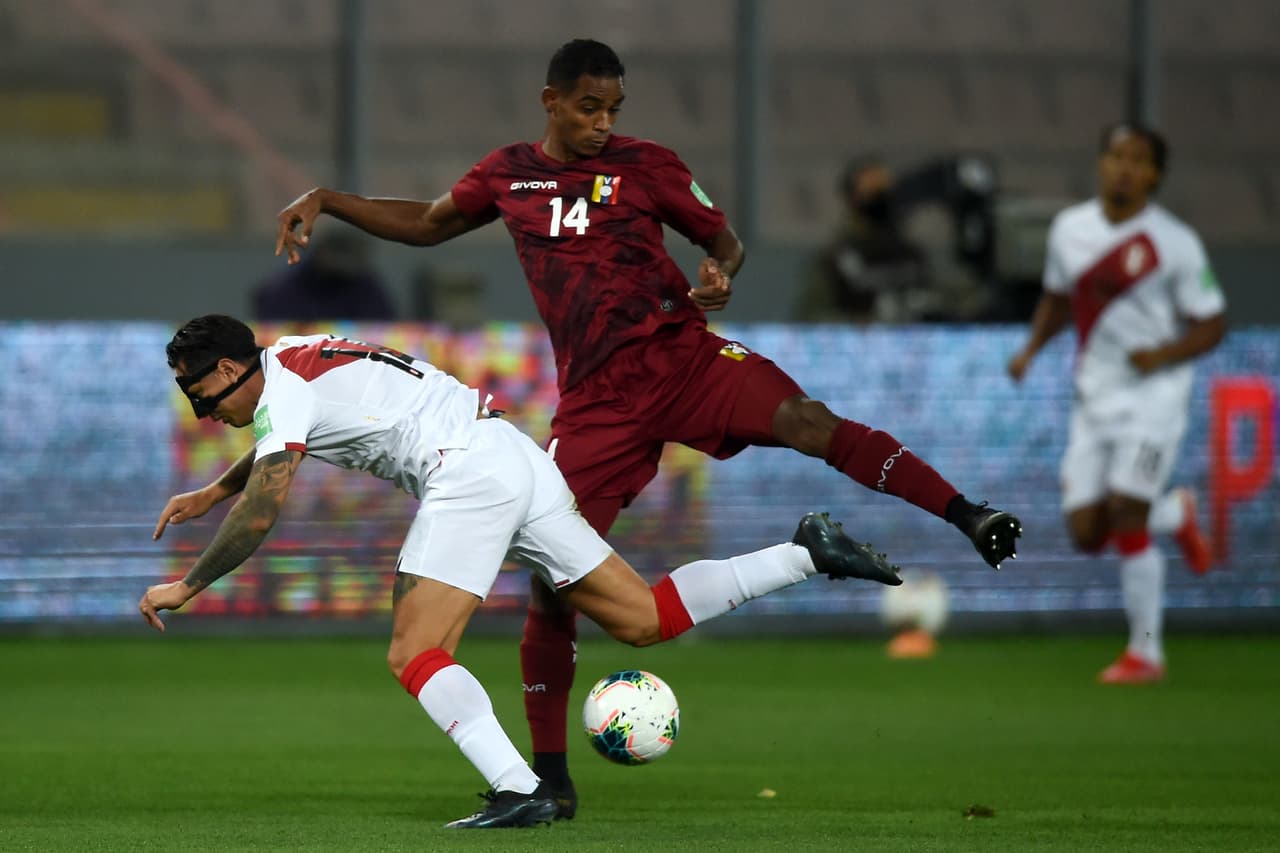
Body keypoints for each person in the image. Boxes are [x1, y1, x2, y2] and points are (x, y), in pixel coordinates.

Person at [273, 39, 1023, 819]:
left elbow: (723, 241)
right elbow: (429, 223)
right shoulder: (507, 174)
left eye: (613, 109)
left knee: (809, 420)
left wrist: (720, 273)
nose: (603, 122)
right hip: (597, 405)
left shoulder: (648, 165)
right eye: (588, 107)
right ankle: (550, 779)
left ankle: (967, 512)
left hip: (684, 359)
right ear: (551, 102)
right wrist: (327, 199)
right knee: (553, 586)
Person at [140, 315, 904, 829]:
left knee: (413, 649)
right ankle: (804, 552)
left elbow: (264, 511)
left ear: (232, 368)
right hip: (512, 455)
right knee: (642, 619)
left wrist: (186, 585)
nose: (203, 412)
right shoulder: (291, 355)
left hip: (465, 472)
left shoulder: (282, 393)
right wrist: (215, 489)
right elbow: (279, 437)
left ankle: (519, 788)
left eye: (201, 394)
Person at [1007, 122, 1226, 684]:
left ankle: (1145, 654)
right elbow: (1059, 299)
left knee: (1128, 515)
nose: (1124, 167)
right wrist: (1030, 349)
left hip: (1155, 396)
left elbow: (1212, 323)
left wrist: (1164, 354)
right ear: (1101, 163)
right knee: (1086, 532)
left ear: (1154, 175)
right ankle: (1174, 513)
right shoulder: (1069, 229)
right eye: (1116, 156)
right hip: (1094, 394)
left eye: (1138, 160)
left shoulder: (1175, 242)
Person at [793, 156, 931, 323]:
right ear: (852, 198)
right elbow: (812, 319)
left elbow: (931, 302)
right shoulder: (835, 257)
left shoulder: (911, 255)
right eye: (871, 192)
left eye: (884, 191)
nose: (880, 199)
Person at [252, 229, 396, 321]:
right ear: (322, 254)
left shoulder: (363, 281)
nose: (343, 270)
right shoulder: (283, 288)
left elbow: (382, 326)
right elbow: (275, 335)